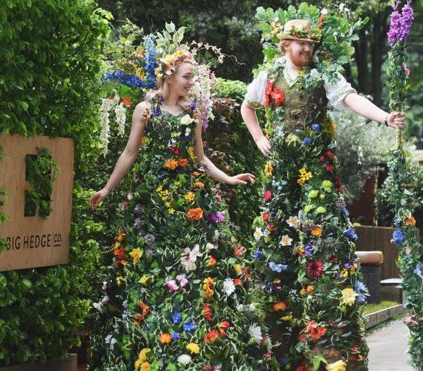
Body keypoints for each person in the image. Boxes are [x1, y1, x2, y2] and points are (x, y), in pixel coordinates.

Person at [240, 16, 405, 368]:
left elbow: (350, 99)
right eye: (300, 43)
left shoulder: (324, 75)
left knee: (326, 240)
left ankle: (333, 342)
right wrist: (258, 138)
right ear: (285, 45)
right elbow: (247, 106)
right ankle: (279, 340)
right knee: (276, 242)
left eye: (311, 44)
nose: (306, 49)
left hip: (317, 170)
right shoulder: (268, 75)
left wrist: (383, 117)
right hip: (283, 172)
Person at [89, 40, 264, 369]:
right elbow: (129, 153)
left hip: (190, 203)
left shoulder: (193, 112)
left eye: (194, 78)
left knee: (196, 268)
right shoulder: (146, 109)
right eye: (186, 76)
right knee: (151, 271)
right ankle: (148, 345)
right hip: (151, 205)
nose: (190, 83)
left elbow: (200, 159)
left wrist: (227, 178)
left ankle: (197, 345)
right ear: (168, 76)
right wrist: (106, 188)